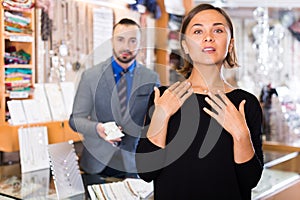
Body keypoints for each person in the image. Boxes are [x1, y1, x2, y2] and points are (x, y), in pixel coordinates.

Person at [136, 4, 263, 200]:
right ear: (185, 46)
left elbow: (250, 180)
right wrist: (162, 116)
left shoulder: (246, 103)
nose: (208, 37)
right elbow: (146, 172)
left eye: (218, 30)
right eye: (198, 31)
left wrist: (240, 134)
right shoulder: (162, 97)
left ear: (230, 44)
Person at [69, 18, 160, 185]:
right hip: (97, 165)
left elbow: (156, 122)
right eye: (120, 39)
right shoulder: (91, 76)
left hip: (135, 165)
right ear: (112, 40)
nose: (126, 46)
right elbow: (75, 120)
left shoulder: (151, 78)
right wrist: (97, 128)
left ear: (140, 44)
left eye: (133, 41)